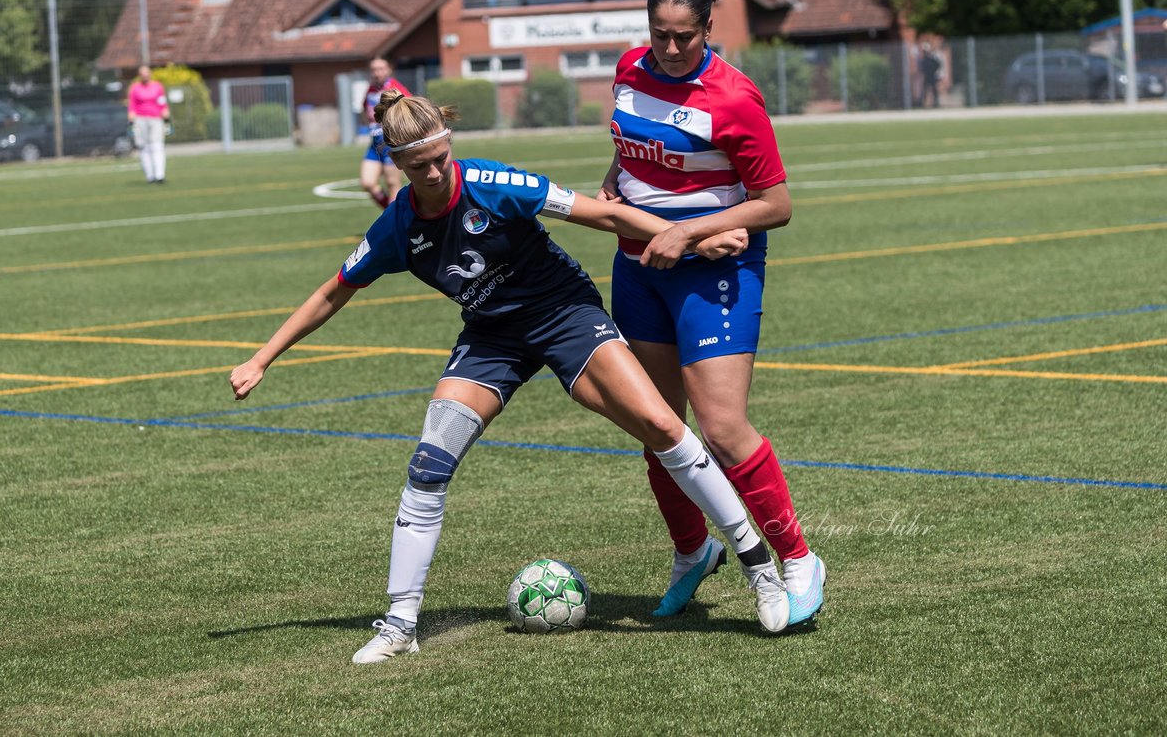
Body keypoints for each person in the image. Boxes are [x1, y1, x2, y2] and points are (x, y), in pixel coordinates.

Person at [230, 91, 793, 665]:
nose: (434, 171)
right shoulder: (397, 226)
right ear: (396, 164)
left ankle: (757, 568)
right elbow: (333, 291)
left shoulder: (494, 183)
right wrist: (262, 358)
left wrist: (692, 237)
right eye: (419, 165)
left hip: (564, 314)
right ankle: (400, 623)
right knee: (428, 465)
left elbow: (606, 213)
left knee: (659, 423)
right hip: (492, 338)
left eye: (441, 157)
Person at [598, 0, 825, 625]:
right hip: (637, 269)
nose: (669, 49)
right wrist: (613, 180)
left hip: (715, 270)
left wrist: (693, 234)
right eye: (659, 34)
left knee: (722, 428)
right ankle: (692, 551)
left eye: (684, 37)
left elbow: (776, 205)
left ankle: (799, 558)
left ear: (707, 30)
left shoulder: (733, 97)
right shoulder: (627, 70)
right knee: (657, 428)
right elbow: (629, 147)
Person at [358, 57, 411, 207]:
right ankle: (391, 215)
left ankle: (395, 222)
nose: (377, 73)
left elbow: (410, 108)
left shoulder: (395, 88)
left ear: (388, 70)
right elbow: (364, 109)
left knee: (392, 183)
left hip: (392, 143)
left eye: (381, 69)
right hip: (375, 144)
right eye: (374, 69)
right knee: (367, 182)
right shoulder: (370, 89)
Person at [127, 64, 171, 183]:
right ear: (139, 75)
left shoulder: (157, 86)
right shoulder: (135, 88)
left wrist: (165, 113)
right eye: (142, 74)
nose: (145, 76)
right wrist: (131, 118)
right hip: (140, 119)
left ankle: (160, 175)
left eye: (147, 73)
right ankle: (150, 176)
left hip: (156, 119)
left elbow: (162, 102)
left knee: (157, 145)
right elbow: (132, 106)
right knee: (144, 147)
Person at [919, 42, 942, 108]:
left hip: (932, 76)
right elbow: (922, 67)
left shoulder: (932, 58)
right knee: (925, 90)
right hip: (927, 76)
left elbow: (938, 64)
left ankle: (936, 103)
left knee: (934, 90)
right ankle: (924, 103)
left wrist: (934, 71)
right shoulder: (924, 59)